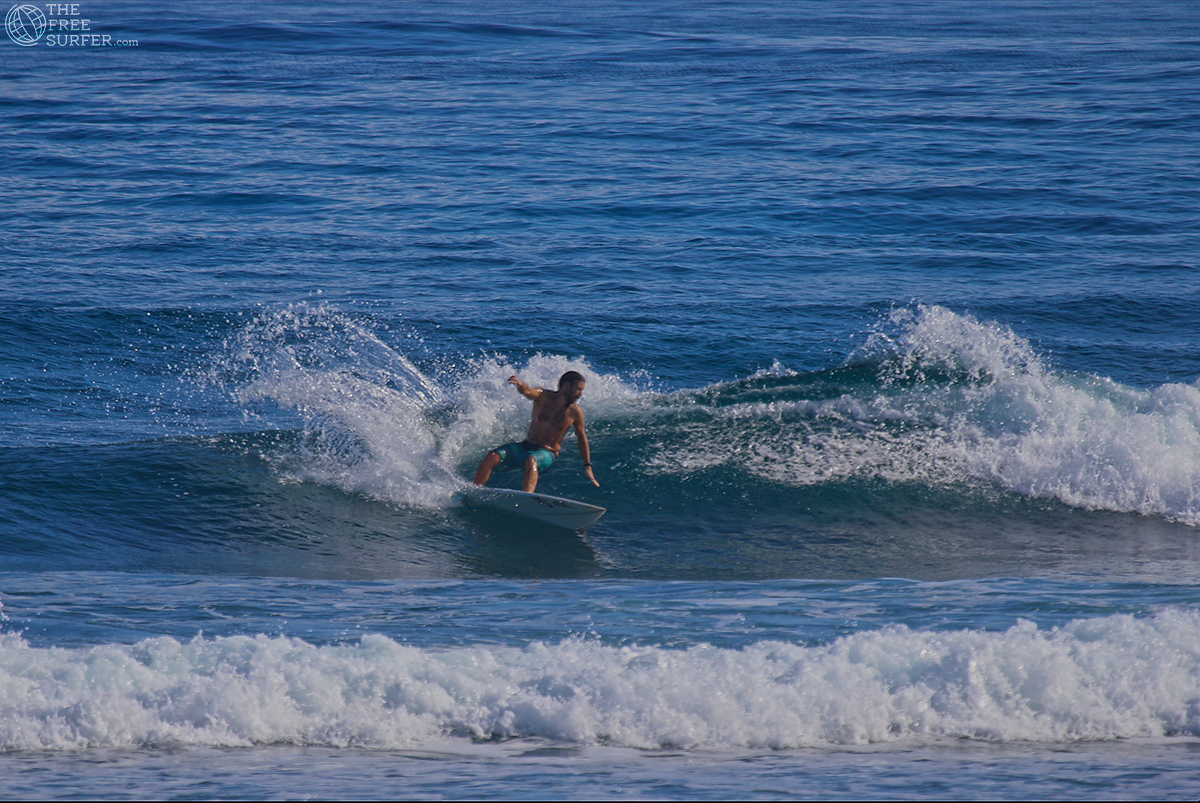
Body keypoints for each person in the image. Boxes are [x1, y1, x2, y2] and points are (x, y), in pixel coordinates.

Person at [473, 370, 600, 493]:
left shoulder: (575, 412)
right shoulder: (543, 396)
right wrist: (521, 386)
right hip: (526, 446)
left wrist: (587, 466)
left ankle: (527, 498)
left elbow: (582, 438)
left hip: (547, 452)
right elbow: (528, 391)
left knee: (531, 460)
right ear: (566, 386)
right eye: (578, 389)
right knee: (492, 456)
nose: (580, 394)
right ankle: (475, 490)